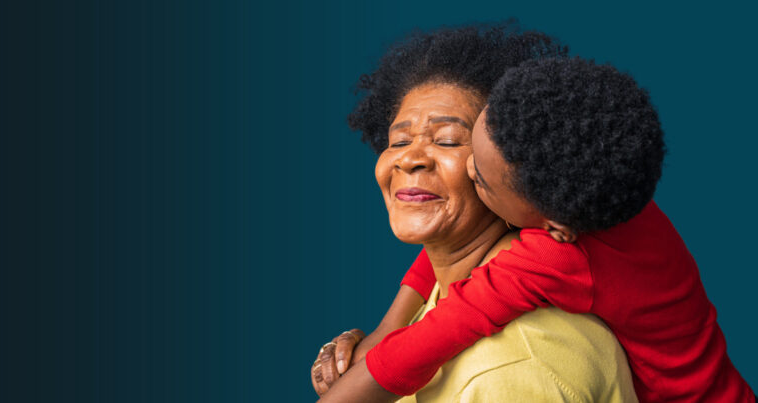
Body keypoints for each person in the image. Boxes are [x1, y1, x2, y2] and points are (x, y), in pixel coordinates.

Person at [328, 58, 757, 402]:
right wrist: (385, 330)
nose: (471, 168)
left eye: (455, 147)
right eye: (399, 142)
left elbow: (417, 351)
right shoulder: (597, 178)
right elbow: (440, 257)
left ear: (554, 226)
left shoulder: (553, 263)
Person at [313, 25, 638, 402]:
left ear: (518, 168)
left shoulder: (514, 370)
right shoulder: (453, 274)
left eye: (448, 140)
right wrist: (376, 340)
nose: (410, 158)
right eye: (399, 141)